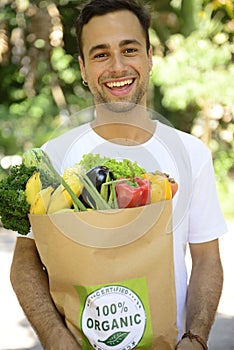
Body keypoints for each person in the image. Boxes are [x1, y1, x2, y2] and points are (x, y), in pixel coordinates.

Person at [10, 0, 227, 349]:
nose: (118, 66)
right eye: (100, 54)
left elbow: (206, 259)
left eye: (129, 49)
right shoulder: (54, 157)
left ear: (149, 57)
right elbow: (25, 263)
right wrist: (53, 337)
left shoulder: (190, 154)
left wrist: (196, 338)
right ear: (82, 68)